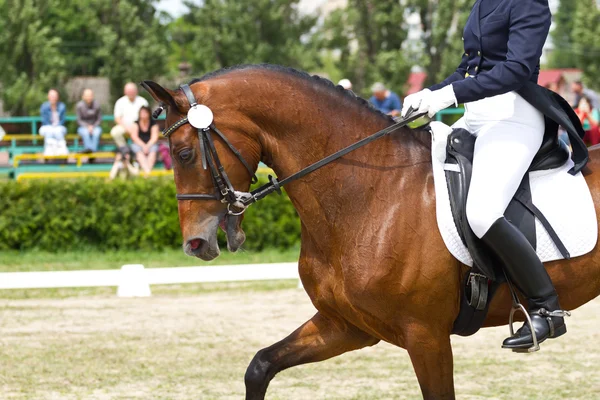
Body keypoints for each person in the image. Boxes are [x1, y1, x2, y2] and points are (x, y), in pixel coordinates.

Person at [402, 0, 572, 351]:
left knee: (481, 212)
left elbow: (515, 70)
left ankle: (547, 308)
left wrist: (449, 94)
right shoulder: (482, 3)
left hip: (514, 116)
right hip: (476, 117)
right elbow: (469, 69)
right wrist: (429, 94)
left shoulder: (530, 4)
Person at [110, 82, 148, 147]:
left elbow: (147, 116)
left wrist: (136, 127)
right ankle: (124, 149)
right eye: (129, 91)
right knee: (115, 132)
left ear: (136, 91)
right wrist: (127, 128)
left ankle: (138, 150)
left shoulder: (143, 101)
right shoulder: (120, 101)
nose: (130, 92)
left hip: (140, 126)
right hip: (124, 126)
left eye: (132, 91)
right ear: (125, 92)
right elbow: (117, 118)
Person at [128, 106, 159, 177]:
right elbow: (134, 137)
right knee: (138, 152)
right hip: (138, 144)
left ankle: (146, 173)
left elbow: (154, 137)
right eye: (142, 112)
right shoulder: (135, 123)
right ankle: (148, 172)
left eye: (145, 112)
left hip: (150, 144)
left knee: (153, 151)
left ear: (149, 113)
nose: (143, 114)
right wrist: (143, 146)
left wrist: (147, 146)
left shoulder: (153, 124)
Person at [40, 89, 68, 156]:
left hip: (59, 127)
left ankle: (61, 149)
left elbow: (62, 120)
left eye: (54, 96)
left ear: (57, 97)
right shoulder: (44, 106)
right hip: (47, 127)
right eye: (52, 96)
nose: (53, 98)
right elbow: (45, 121)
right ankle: (49, 150)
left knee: (58, 130)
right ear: (48, 97)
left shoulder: (62, 106)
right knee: (49, 130)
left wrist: (56, 126)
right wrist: (52, 127)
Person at [76, 89, 102, 153]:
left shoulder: (97, 105)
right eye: (87, 95)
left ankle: (91, 151)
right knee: (86, 133)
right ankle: (91, 151)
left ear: (93, 96)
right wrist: (87, 126)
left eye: (90, 95)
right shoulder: (79, 106)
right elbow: (79, 120)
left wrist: (93, 126)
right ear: (83, 96)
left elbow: (99, 119)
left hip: (95, 127)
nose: (89, 97)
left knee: (96, 133)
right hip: (83, 127)